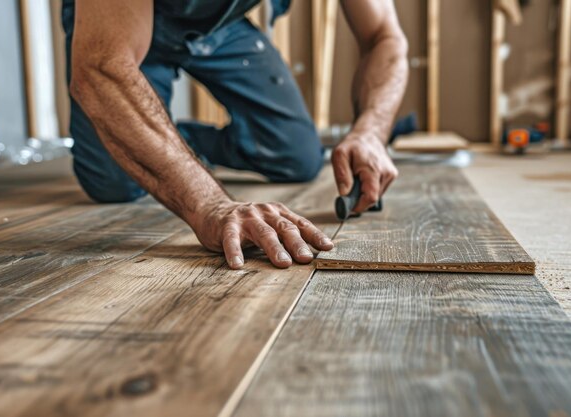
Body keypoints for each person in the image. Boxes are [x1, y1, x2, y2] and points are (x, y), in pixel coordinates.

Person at [64, 0, 408, 269]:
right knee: (115, 183)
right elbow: (101, 67)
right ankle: (156, 138)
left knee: (297, 156)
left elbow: (385, 36)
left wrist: (371, 131)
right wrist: (210, 206)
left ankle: (177, 140)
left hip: (219, 26)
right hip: (126, 23)